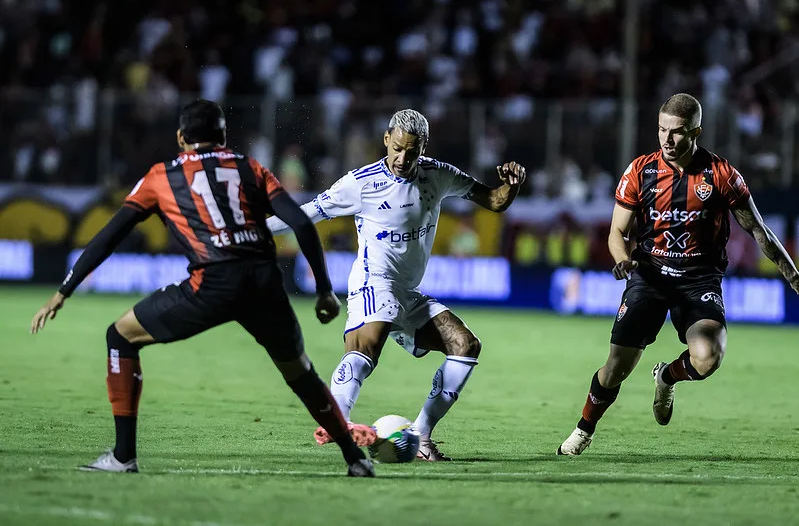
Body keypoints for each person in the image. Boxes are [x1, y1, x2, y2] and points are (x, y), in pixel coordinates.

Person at [30, 99, 375, 477]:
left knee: (121, 336)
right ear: (224, 136)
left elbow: (110, 235)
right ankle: (354, 458)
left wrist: (65, 289)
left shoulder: (161, 176)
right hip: (264, 283)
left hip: (212, 283)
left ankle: (123, 456)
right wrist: (325, 290)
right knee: (300, 372)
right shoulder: (249, 167)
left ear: (181, 137)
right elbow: (302, 223)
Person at [267, 109, 526, 460]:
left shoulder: (439, 174)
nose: (403, 158)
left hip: (408, 293)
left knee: (465, 345)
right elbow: (306, 213)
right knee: (367, 345)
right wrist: (251, 232)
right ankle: (337, 419)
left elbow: (493, 201)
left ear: (424, 148)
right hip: (373, 280)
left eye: (412, 151)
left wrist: (510, 187)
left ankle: (421, 435)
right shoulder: (360, 183)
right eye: (398, 148)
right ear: (386, 138)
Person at [557, 93, 799, 455]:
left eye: (678, 132)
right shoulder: (641, 170)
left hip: (698, 280)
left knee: (708, 358)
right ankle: (584, 429)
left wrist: (794, 277)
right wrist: (622, 258)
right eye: (661, 130)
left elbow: (759, 230)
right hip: (648, 275)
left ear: (696, 132)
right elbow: (616, 232)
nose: (667, 140)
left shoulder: (721, 175)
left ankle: (666, 377)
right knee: (616, 369)